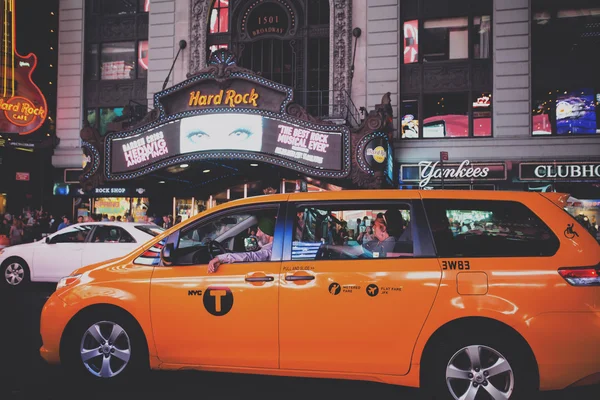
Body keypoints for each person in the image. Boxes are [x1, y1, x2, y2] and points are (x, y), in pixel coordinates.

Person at [207, 216, 275, 273]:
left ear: (268, 234)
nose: (257, 234)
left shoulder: (270, 250)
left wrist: (221, 258)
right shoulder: (273, 247)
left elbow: (251, 257)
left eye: (259, 231)